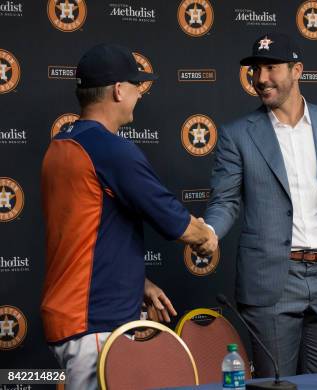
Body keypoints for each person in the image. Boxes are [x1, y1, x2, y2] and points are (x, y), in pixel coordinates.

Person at [40, 43, 217, 389]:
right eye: (137, 85)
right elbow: (176, 223)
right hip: (95, 322)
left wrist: (139, 283)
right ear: (119, 90)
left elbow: (86, 232)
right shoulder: (110, 149)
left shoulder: (61, 145)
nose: (140, 93)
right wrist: (207, 236)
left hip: (71, 317)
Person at [204, 32, 317, 376]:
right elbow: (224, 201)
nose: (261, 78)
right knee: (276, 385)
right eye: (256, 69)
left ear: (297, 70)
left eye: (271, 68)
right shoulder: (237, 134)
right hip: (273, 280)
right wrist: (209, 231)